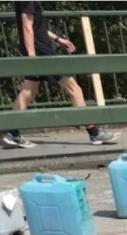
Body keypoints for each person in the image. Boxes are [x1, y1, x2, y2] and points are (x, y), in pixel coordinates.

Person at [3, 1, 119, 148]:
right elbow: (27, 27)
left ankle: (12, 133)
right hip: (41, 52)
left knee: (29, 91)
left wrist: (57, 39)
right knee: (74, 88)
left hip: (38, 50)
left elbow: (36, 26)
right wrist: (32, 59)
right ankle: (94, 133)